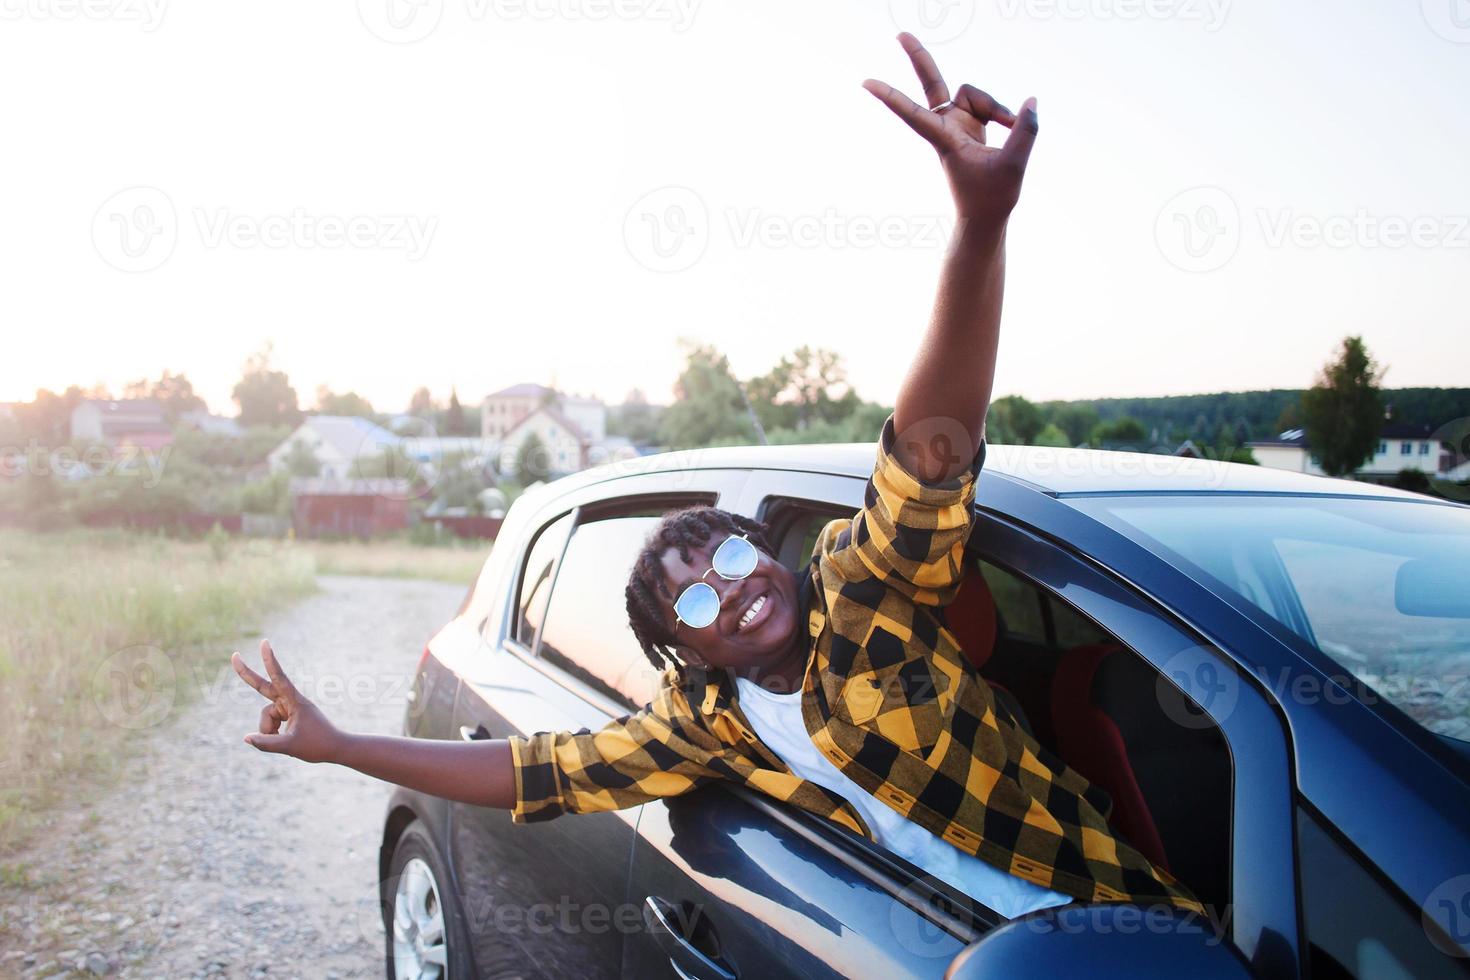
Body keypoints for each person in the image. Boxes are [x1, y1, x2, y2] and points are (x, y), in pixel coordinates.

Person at [231, 33, 1202, 918]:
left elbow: (928, 455)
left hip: (1112, 932)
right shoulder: (701, 728)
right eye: (692, 600)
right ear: (689, 655)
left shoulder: (862, 608)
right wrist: (337, 742)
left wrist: (979, 227)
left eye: (731, 552)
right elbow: (539, 771)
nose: (730, 587)